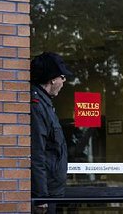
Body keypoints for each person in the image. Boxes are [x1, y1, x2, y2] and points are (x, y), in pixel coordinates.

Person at [30, 52, 73, 214]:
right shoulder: (37, 106)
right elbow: (37, 154)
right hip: (45, 197)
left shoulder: (45, 104)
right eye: (62, 77)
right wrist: (41, 196)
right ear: (53, 79)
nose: (64, 81)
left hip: (51, 192)